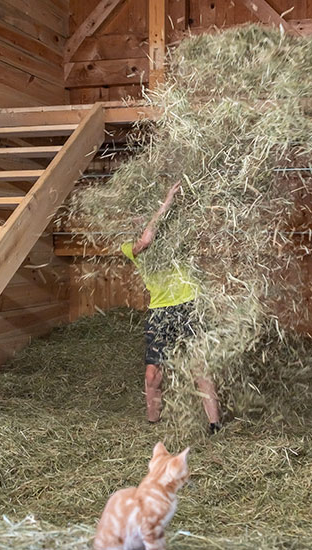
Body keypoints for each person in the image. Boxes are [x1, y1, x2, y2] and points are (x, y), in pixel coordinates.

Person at [121, 181, 222, 433]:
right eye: (135, 216)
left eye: (141, 214)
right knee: (153, 374)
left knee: (200, 367)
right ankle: (153, 424)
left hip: (189, 306)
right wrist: (166, 201)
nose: (137, 220)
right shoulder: (128, 247)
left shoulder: (177, 240)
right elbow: (146, 239)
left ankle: (214, 424)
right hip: (161, 312)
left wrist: (174, 202)